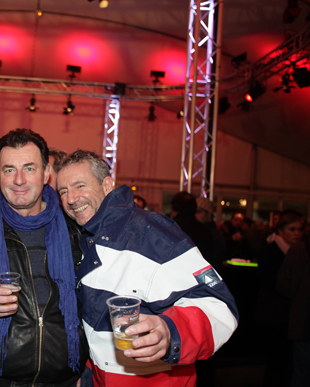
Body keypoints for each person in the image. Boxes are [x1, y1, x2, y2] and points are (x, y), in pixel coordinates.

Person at [55, 149, 238, 387]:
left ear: (108, 185)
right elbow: (98, 326)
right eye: (63, 191)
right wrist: (90, 376)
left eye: (80, 186)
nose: (71, 198)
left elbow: (220, 309)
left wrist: (170, 332)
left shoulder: (151, 233)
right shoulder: (88, 237)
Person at [0, 129, 88, 386]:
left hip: (62, 379)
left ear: (46, 172)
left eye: (29, 168)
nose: (19, 179)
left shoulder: (76, 227)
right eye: (9, 169)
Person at [255, 212, 305, 387]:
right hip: (275, 316)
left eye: (299, 229)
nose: (297, 233)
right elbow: (271, 282)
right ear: (281, 230)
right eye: (292, 229)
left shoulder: (298, 252)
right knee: (277, 362)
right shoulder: (272, 250)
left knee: (287, 363)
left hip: (289, 317)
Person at [278, 240, 310, 387]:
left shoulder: (298, 249)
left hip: (302, 322)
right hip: (302, 323)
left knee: (301, 374)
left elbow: (284, 285)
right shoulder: (299, 249)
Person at [171, 192, 217, 272]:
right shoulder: (205, 231)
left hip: (174, 276)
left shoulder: (169, 228)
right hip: (197, 277)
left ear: (174, 208)